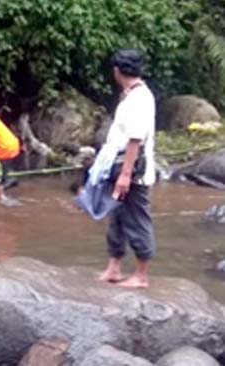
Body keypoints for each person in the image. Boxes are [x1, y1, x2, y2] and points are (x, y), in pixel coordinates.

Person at [98, 49, 156, 289]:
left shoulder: (139, 98)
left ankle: (141, 276)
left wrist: (125, 175)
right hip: (120, 166)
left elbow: (135, 138)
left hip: (133, 172)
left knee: (137, 220)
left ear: (116, 71)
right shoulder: (131, 95)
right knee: (117, 218)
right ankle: (114, 267)